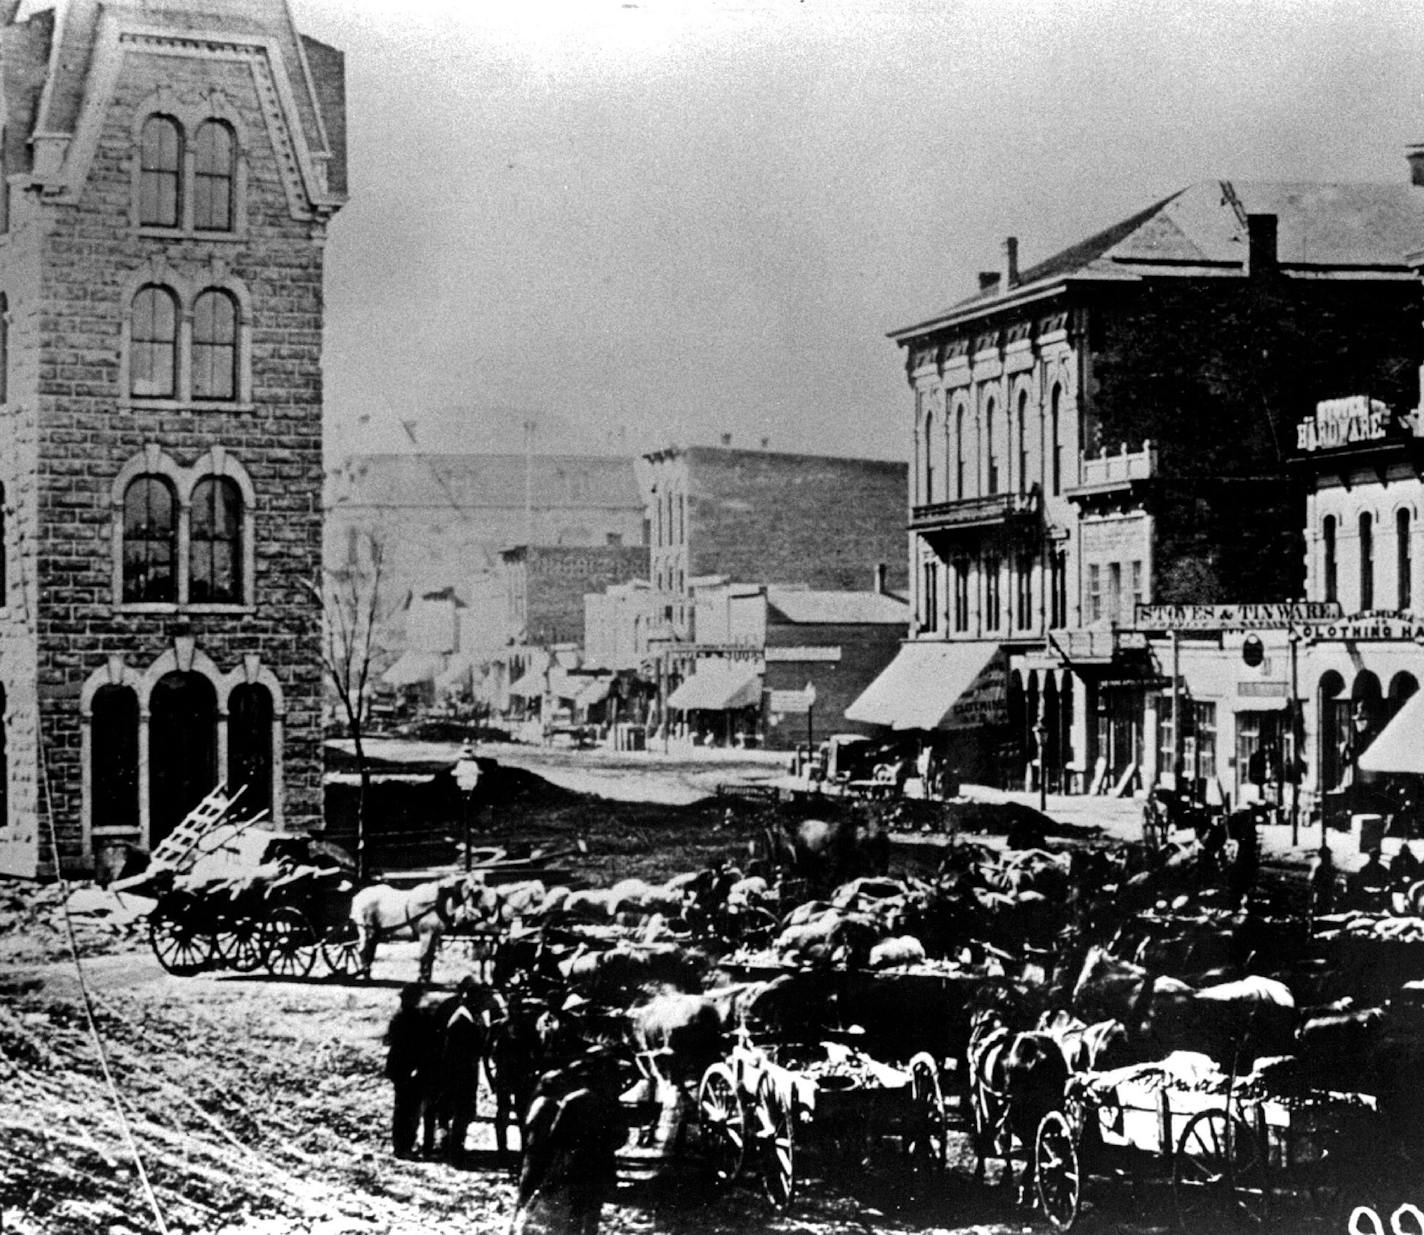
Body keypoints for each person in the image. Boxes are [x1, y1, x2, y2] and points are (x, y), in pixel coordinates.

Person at [385, 983, 436, 1159]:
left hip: (402, 1070)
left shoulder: (400, 1017)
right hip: (411, 1070)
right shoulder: (415, 1018)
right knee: (409, 1111)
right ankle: (404, 1146)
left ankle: (401, 1146)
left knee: (404, 1110)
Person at [1308, 845, 1337, 917]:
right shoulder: (1331, 869)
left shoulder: (1320, 869)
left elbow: (1315, 883)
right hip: (1327, 894)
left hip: (1323, 894)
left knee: (1322, 911)